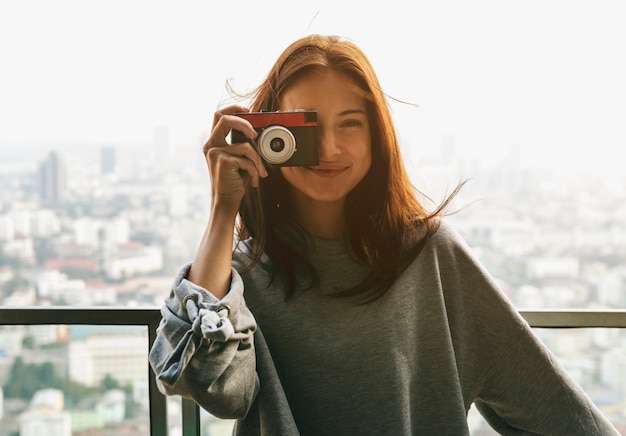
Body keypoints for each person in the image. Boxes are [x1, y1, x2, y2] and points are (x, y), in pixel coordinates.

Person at [149, 34, 618, 435]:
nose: (329, 149)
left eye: (351, 124)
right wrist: (222, 210)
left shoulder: (430, 255)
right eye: (305, 126)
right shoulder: (244, 280)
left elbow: (553, 406)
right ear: (268, 135)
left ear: (377, 135)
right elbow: (200, 380)